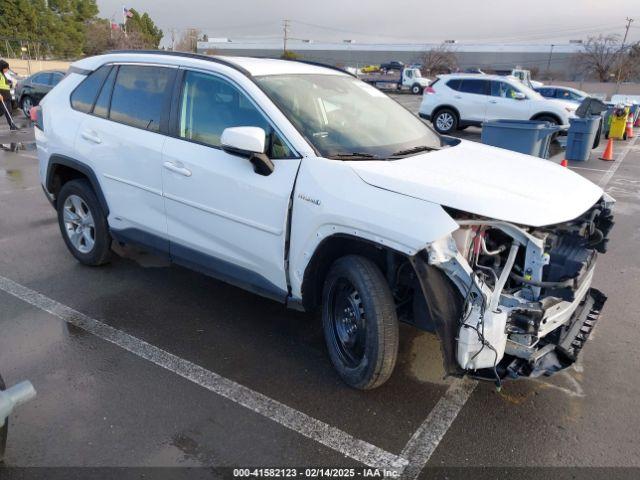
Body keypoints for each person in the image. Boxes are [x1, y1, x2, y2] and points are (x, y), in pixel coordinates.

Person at [0, 60, 18, 130]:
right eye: (6, 68)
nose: (7, 69)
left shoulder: (3, 74)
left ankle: (12, 126)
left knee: (9, 112)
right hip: (2, 96)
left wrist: (10, 84)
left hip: (7, 96)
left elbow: (5, 84)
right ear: (2, 67)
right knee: (2, 111)